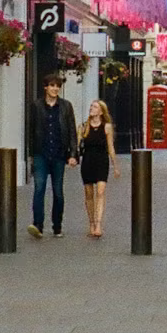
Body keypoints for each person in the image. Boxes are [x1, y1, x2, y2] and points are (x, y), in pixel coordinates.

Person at [26, 72, 79, 238]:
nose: (55, 89)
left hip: (58, 153)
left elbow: (71, 131)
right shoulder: (36, 106)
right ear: (45, 87)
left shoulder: (66, 106)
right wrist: (31, 153)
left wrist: (72, 154)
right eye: (52, 86)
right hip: (41, 152)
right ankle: (38, 225)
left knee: (58, 191)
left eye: (58, 86)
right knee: (39, 188)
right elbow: (31, 130)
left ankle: (57, 225)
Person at [78, 99, 120, 239]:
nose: (91, 108)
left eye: (95, 107)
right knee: (89, 194)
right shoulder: (83, 127)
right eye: (91, 106)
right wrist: (72, 157)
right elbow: (77, 146)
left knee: (100, 192)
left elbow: (110, 147)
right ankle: (91, 222)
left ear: (101, 111)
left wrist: (115, 166)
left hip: (102, 161)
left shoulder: (106, 127)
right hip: (88, 162)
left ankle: (98, 224)